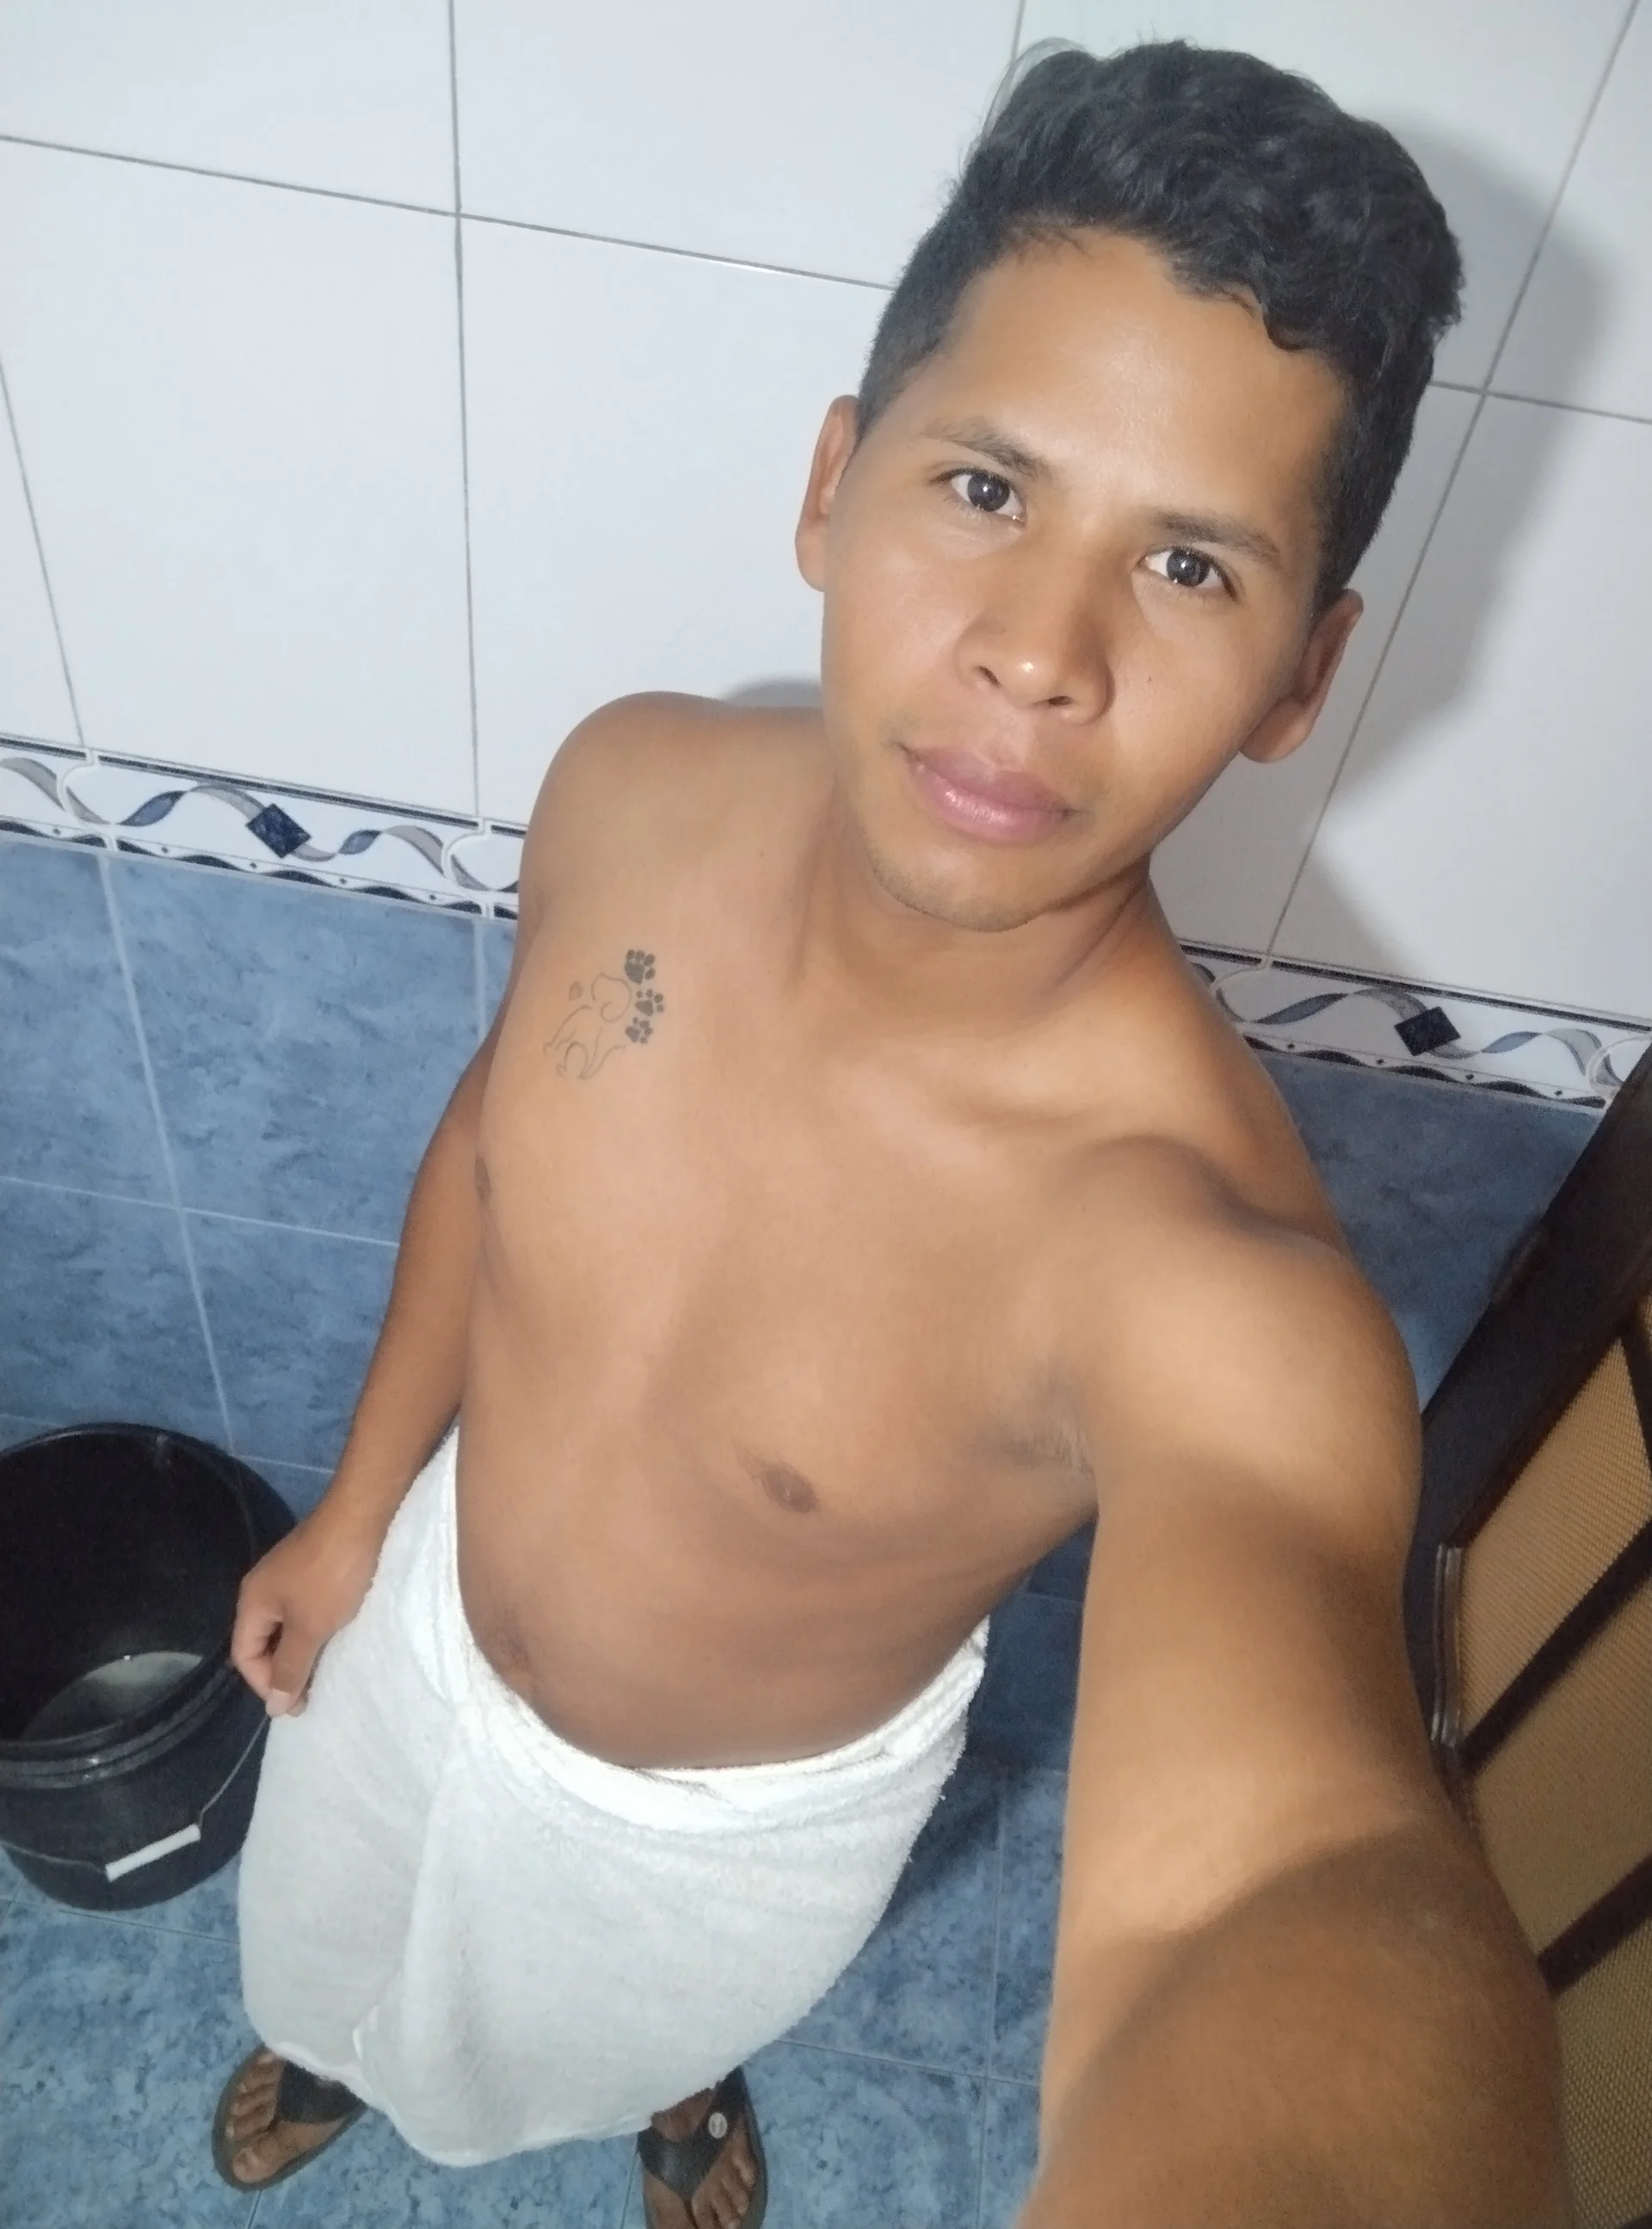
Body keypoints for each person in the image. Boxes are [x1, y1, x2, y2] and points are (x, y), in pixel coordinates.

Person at [212, 38, 1570, 2228]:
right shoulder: (627, 788)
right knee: (327, 1952)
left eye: (1190, 566)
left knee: (592, 2038)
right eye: (989, 489)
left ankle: (673, 2084)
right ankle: (326, 2034)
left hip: (718, 1838)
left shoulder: (1199, 1276)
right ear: (835, 483)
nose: (1041, 651)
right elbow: (490, 1148)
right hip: (421, 1632)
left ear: (1300, 683)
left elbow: (1282, 1882)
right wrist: (359, 1514)